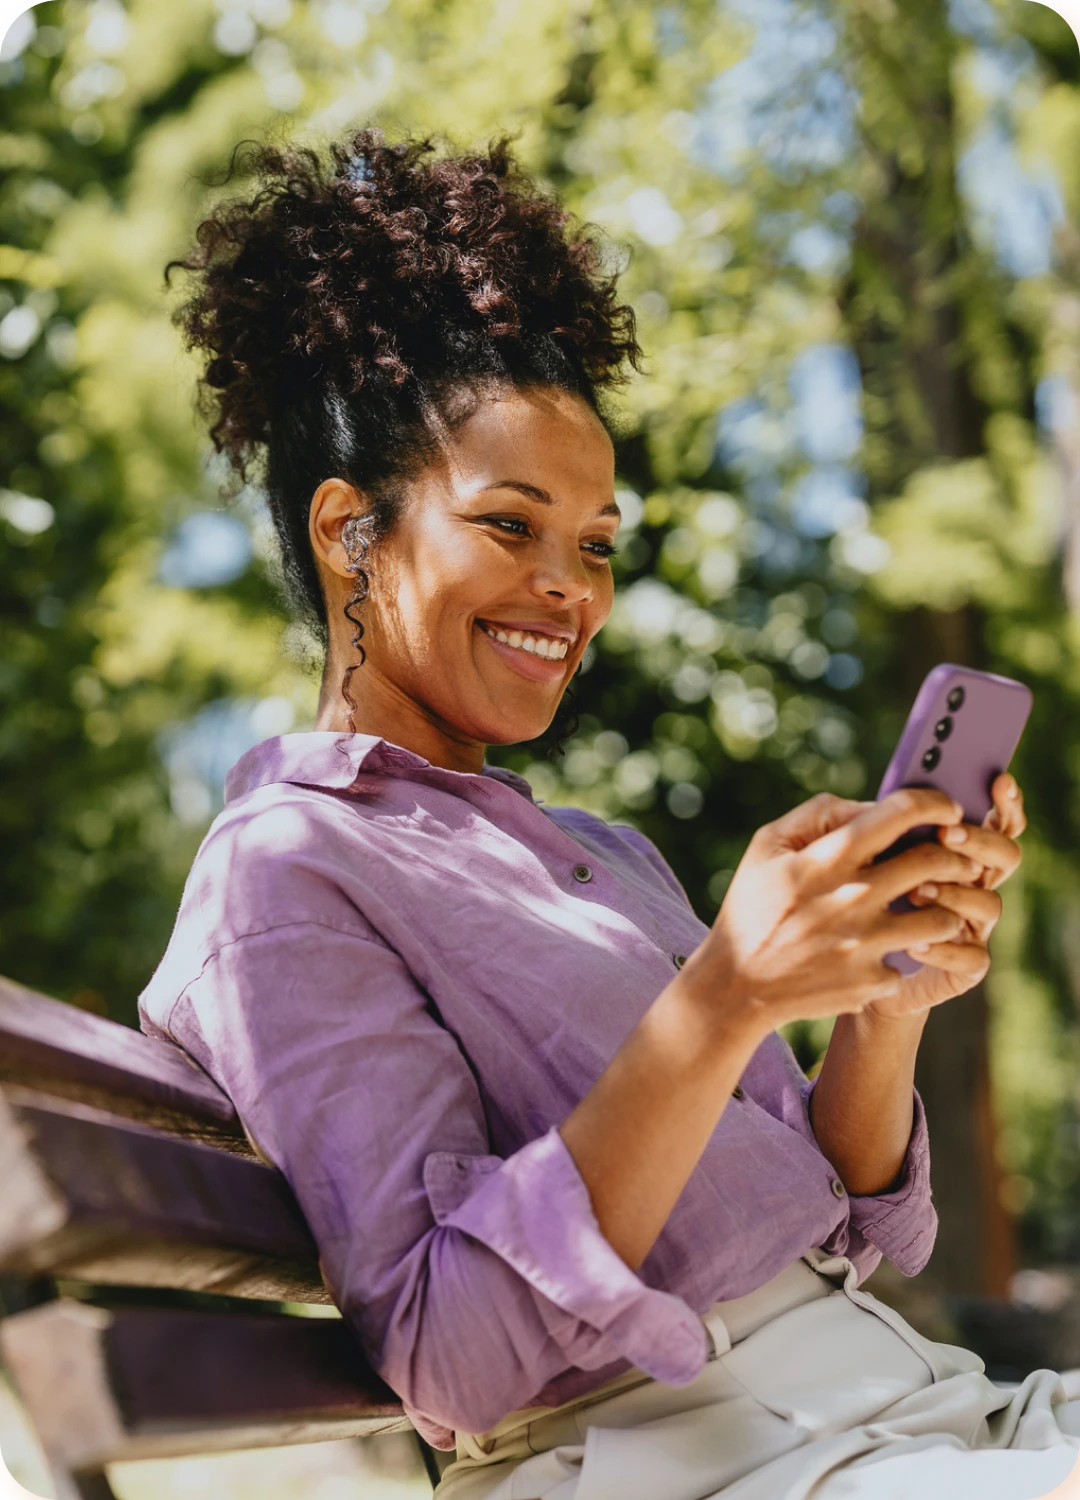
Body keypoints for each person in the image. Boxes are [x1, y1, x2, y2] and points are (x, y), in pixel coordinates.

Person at [139, 128, 1076, 1499]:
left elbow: (843, 1225)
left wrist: (888, 994)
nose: (569, 589)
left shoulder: (591, 854)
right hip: (691, 1463)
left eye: (595, 544)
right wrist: (724, 999)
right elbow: (450, 1357)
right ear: (351, 530)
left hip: (901, 1412)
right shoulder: (284, 873)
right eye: (510, 526)